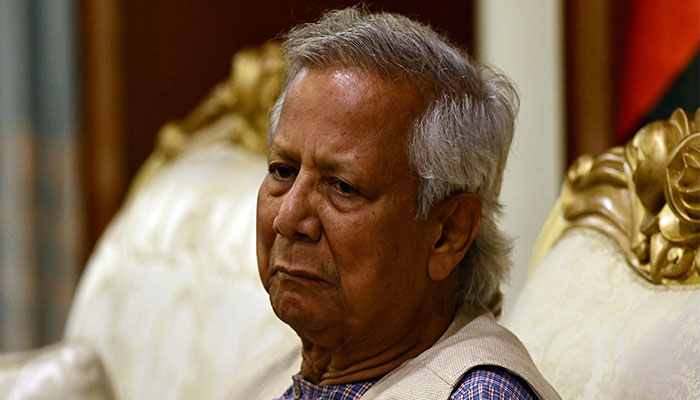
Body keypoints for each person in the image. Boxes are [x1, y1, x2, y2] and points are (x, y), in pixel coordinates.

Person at [253, 7, 561, 400]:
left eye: (342, 186)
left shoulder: (477, 395)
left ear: (447, 233)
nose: (288, 216)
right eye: (282, 171)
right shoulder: (266, 372)